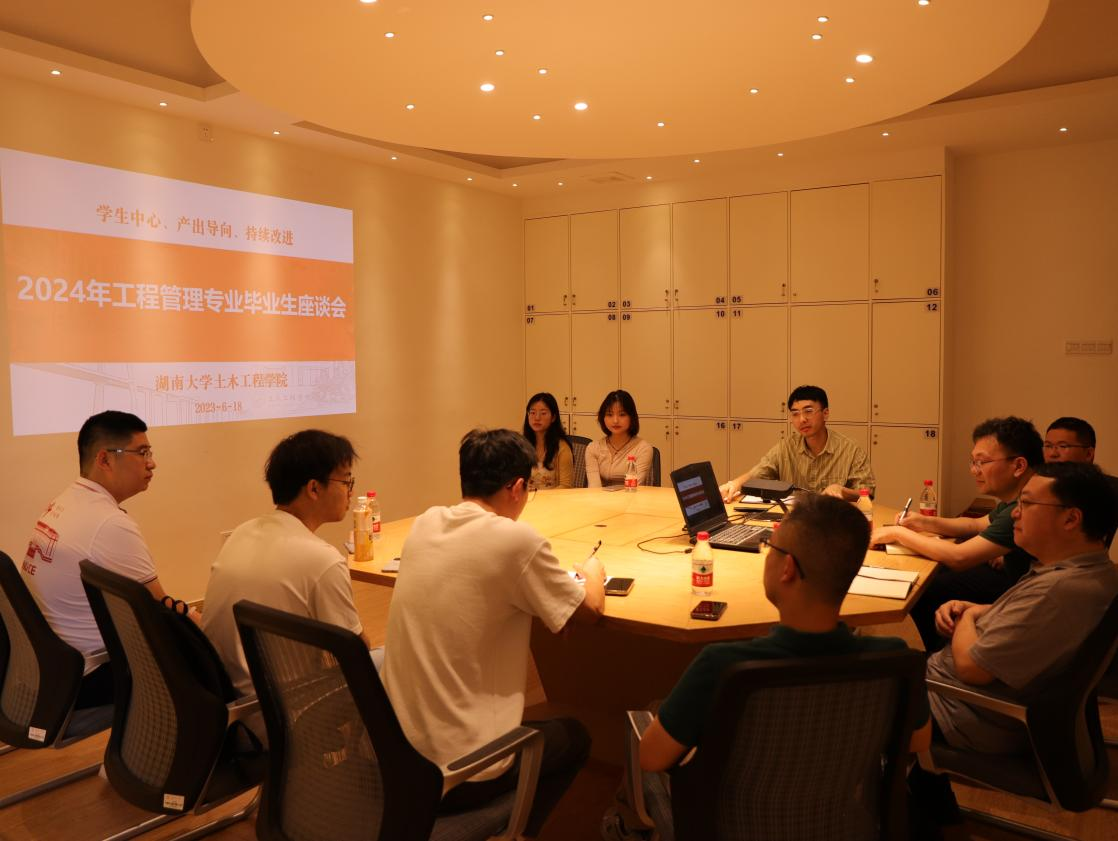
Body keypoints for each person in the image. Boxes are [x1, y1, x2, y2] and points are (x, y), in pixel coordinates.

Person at [604, 494, 930, 840]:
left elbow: (651, 759)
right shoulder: (893, 659)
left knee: (651, 727)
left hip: (728, 829)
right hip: (842, 826)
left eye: (770, 547)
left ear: (788, 569)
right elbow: (918, 739)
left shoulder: (724, 665)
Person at [383, 428, 606, 838]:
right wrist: (593, 572)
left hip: (395, 760)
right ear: (517, 487)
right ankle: (515, 831)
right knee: (573, 737)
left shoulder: (426, 523)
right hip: (461, 773)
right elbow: (590, 610)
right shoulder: (515, 540)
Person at [910, 463, 1118, 832]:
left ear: (1071, 519)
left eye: (1027, 504)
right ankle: (930, 811)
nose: (1016, 514)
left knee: (855, 689)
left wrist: (968, 619)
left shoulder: (1059, 592)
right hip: (968, 700)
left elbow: (971, 668)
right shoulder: (1087, 573)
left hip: (960, 709)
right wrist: (979, 609)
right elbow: (1027, 619)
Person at [20, 410, 183, 709]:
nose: (152, 463)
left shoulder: (65, 501)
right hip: (89, 677)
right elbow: (161, 612)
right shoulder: (109, 523)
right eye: (142, 452)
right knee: (203, 663)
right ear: (105, 460)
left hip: (46, 667)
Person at [202, 429, 370, 697]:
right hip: (291, 706)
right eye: (346, 481)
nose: (350, 492)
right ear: (314, 488)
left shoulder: (243, 532)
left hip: (230, 700)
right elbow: (356, 659)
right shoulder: (323, 560)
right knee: (386, 662)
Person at [872, 416, 1042, 651]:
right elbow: (975, 525)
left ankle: (942, 654)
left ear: (1019, 466)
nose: (974, 470)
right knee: (936, 574)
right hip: (1014, 578)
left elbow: (959, 557)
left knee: (926, 587)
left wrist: (898, 534)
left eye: (981, 462)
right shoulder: (1016, 498)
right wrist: (924, 521)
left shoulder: (1024, 506)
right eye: (973, 462)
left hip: (1018, 594)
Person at [719, 385, 874, 501]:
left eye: (808, 411)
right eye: (795, 414)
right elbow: (758, 472)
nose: (802, 419)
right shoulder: (786, 447)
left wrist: (841, 490)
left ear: (825, 413)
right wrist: (733, 484)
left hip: (834, 521)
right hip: (796, 521)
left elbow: (867, 493)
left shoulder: (851, 450)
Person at [584, 389, 653, 487]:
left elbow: (634, 487)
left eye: (622, 415)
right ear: (603, 418)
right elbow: (594, 487)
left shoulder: (643, 448)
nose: (615, 421)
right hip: (600, 497)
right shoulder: (593, 448)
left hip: (631, 496)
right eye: (609, 414)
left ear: (631, 417)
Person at [522, 391, 574, 489]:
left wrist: (542, 497)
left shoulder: (562, 448)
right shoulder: (522, 445)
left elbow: (566, 486)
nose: (537, 418)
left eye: (543, 413)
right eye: (532, 412)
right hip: (526, 498)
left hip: (553, 498)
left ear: (553, 417)